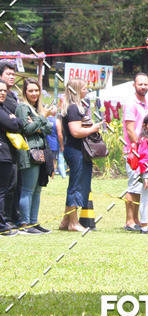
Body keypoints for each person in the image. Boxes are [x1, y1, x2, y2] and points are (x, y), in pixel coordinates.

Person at [59, 79, 103, 232]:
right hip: (76, 151)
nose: (87, 91)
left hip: (78, 151)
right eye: (84, 88)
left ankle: (66, 221)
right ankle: (73, 223)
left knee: (78, 184)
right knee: (76, 186)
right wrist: (94, 128)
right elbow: (76, 132)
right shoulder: (73, 108)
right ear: (76, 91)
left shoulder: (75, 107)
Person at [15, 78, 54, 234]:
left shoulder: (36, 108)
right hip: (29, 152)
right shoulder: (23, 108)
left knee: (37, 189)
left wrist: (39, 122)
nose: (34, 93)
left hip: (40, 152)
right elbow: (28, 129)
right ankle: (24, 223)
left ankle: (33, 222)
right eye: (31, 90)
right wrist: (42, 118)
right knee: (28, 189)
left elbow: (49, 128)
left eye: (36, 90)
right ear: (25, 92)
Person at [123, 73, 148, 231]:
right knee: (133, 185)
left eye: (146, 84)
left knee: (140, 187)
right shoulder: (131, 103)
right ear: (134, 85)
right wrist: (139, 148)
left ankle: (136, 219)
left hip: (144, 152)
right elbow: (130, 129)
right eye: (140, 84)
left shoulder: (147, 103)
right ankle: (129, 221)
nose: (143, 87)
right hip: (133, 151)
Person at [0, 61, 21, 227]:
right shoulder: (4, 101)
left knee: (12, 186)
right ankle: (4, 221)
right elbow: (12, 123)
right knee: (4, 189)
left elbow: (15, 121)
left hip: (12, 149)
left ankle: (10, 218)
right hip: (3, 150)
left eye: (14, 74)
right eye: (9, 74)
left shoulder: (12, 96)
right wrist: (18, 121)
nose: (12, 76)